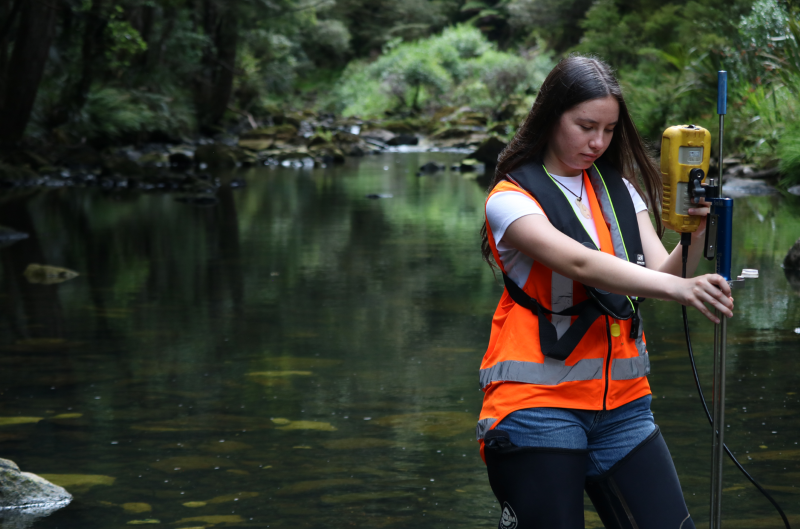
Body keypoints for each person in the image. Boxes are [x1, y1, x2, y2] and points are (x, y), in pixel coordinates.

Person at [477, 55, 734, 529]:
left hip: (624, 408)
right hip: (537, 405)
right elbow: (581, 263)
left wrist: (695, 233)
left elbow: (663, 273)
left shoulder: (620, 190)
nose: (597, 142)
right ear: (552, 117)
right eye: (585, 126)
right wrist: (683, 291)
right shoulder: (510, 200)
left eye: (609, 130)